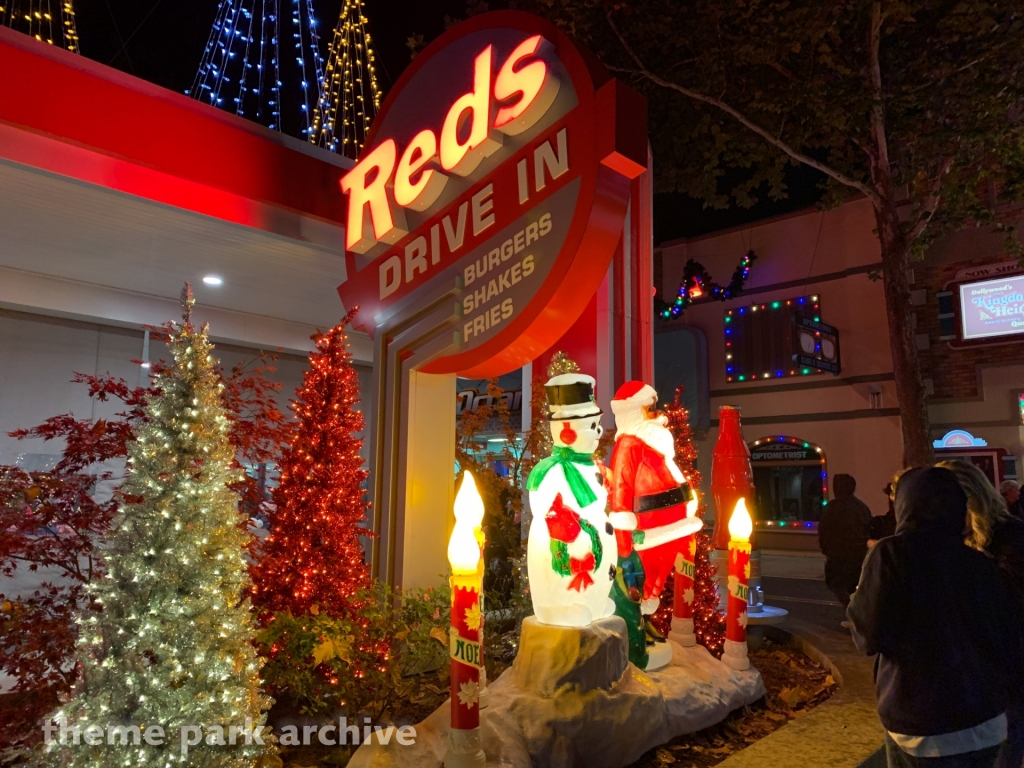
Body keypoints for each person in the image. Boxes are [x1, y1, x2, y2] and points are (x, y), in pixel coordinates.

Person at [848, 467, 1021, 768]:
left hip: (922, 723)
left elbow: (869, 636)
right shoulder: (981, 563)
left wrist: (860, 598)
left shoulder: (892, 555)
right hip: (985, 721)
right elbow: (1006, 639)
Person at [939, 460, 1024, 768]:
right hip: (970, 669)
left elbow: (1010, 603)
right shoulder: (949, 538)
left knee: (1006, 740)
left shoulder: (1011, 536)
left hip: (1007, 665)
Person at [818, 474, 872, 611]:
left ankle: (853, 611)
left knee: (838, 585)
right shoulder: (861, 507)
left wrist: (826, 548)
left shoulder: (833, 507)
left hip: (840, 555)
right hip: (859, 554)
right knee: (853, 587)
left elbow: (824, 530)